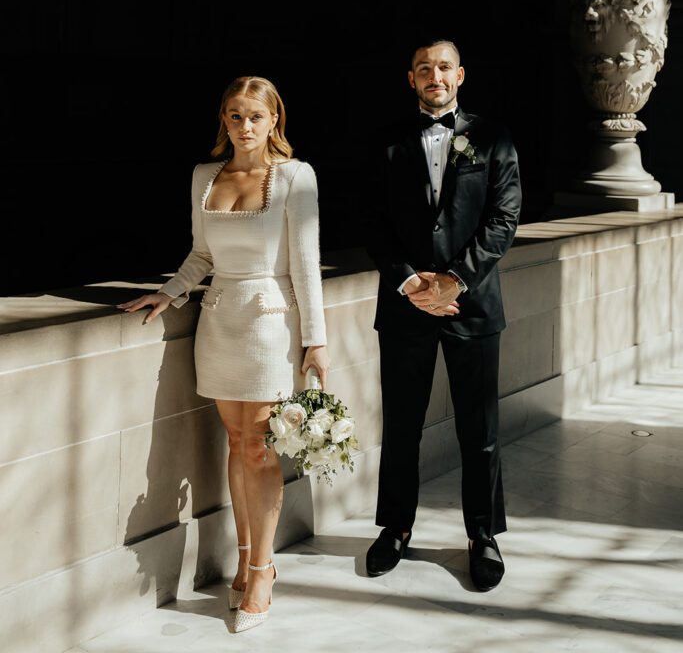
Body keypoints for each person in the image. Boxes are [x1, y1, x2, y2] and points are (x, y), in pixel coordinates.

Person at [119, 76, 330, 632]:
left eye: (255, 117)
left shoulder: (294, 177)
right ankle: (244, 558)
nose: (245, 127)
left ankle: (263, 569)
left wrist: (317, 340)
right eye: (235, 116)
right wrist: (169, 292)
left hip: (269, 324)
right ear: (224, 121)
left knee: (258, 447)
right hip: (219, 320)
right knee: (237, 443)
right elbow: (202, 253)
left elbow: (307, 266)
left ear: (274, 121)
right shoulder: (203, 177)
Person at [364, 39, 521, 591]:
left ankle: (483, 535)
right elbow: (373, 222)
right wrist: (410, 282)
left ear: (461, 75)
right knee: (402, 424)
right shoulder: (386, 144)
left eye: (444, 67)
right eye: (424, 68)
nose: (436, 75)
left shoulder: (494, 138)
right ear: (411, 79)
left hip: (472, 303)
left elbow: (504, 219)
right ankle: (395, 530)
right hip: (405, 304)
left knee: (479, 430)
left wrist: (454, 280)